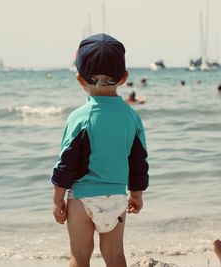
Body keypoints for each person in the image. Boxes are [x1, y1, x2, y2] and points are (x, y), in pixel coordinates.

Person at [51, 33, 149, 267]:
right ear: (124, 78)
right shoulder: (131, 117)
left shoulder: (79, 118)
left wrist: (57, 200)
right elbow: (138, 162)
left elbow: (66, 163)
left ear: (79, 79)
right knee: (115, 256)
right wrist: (136, 195)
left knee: (79, 256)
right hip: (116, 198)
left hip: (81, 198)